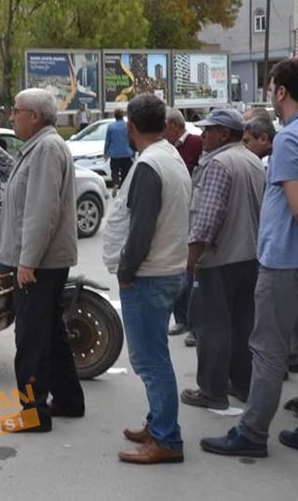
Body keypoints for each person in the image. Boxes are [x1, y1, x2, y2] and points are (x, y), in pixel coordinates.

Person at [201, 58, 298, 461]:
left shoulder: (291, 138)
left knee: (267, 349)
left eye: (271, 88)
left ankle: (252, 432)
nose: (270, 95)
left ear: (281, 91)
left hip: (287, 262)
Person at [102, 94, 192, 464]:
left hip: (149, 275)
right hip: (166, 270)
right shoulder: (169, 156)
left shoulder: (151, 165)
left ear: (131, 126)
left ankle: (166, 440)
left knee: (151, 362)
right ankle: (158, 425)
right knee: (155, 357)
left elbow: (141, 229)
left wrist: (126, 272)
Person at [0, 88, 83, 433]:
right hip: (41, 261)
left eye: (16, 110)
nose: (12, 116)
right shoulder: (40, 146)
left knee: (31, 337)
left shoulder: (46, 148)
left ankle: (33, 413)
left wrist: (27, 262)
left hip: (39, 263)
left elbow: (40, 212)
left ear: (33, 116)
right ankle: (69, 400)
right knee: (50, 331)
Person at [179, 108, 265, 410]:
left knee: (211, 327)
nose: (203, 136)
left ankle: (212, 390)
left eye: (209, 130)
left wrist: (192, 257)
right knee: (242, 325)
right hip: (250, 256)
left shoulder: (219, 163)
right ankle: (241, 383)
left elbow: (208, 216)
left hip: (220, 257)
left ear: (224, 133)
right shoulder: (253, 160)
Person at [163, 109, 204, 338]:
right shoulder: (168, 148)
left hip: (193, 211)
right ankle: (181, 319)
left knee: (191, 272)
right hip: (177, 213)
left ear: (176, 126)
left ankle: (193, 323)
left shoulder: (195, 142)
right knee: (180, 269)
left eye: (165, 127)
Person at [104, 108, 135, 197]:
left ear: (115, 116)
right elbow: (132, 139)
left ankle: (116, 182)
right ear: (122, 116)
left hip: (115, 154)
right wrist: (133, 152)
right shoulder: (127, 126)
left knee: (114, 170)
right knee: (126, 172)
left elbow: (107, 141)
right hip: (126, 153)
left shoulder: (111, 127)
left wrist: (106, 153)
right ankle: (124, 189)